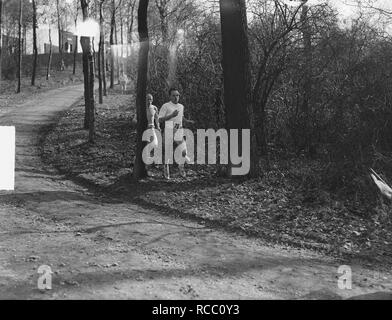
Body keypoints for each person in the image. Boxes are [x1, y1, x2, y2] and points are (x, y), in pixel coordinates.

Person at [159, 88, 194, 179]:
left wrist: (188, 121)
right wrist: (171, 116)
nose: (176, 97)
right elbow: (160, 119)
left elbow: (181, 117)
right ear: (169, 96)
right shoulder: (165, 106)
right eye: (173, 95)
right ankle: (166, 172)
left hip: (179, 129)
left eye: (177, 95)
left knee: (184, 150)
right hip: (169, 129)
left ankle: (181, 167)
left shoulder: (181, 106)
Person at [146, 94, 160, 176]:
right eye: (147, 99)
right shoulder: (141, 108)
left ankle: (155, 163)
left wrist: (158, 127)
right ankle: (147, 166)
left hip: (151, 128)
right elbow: (135, 118)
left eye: (150, 99)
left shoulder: (154, 108)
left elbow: (157, 118)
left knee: (155, 144)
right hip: (144, 130)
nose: (149, 101)